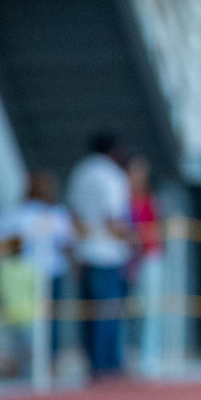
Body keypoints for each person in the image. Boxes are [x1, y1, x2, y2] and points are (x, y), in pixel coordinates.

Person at [0, 168, 75, 373]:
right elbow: (0, 240)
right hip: (28, 274)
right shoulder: (20, 214)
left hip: (53, 272)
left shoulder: (55, 214)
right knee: (29, 320)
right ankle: (31, 362)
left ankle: (49, 361)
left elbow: (68, 242)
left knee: (51, 321)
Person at [66, 132, 132, 380]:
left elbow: (73, 214)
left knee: (89, 315)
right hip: (108, 253)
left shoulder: (80, 172)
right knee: (109, 314)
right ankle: (108, 365)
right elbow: (112, 218)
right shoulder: (112, 175)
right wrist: (131, 238)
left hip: (85, 252)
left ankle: (93, 364)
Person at [126, 156, 164, 372]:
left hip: (148, 258)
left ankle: (149, 356)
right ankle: (131, 354)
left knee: (150, 309)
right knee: (130, 310)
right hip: (128, 260)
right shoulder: (123, 200)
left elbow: (155, 230)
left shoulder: (149, 200)